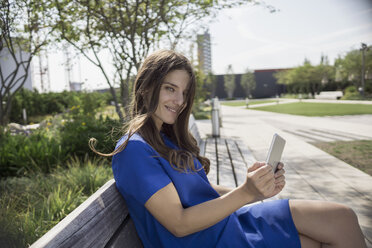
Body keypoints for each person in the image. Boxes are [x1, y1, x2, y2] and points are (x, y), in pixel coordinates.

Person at [90, 50, 367, 248]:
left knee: (338, 220)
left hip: (222, 226)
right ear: (146, 88)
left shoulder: (166, 138)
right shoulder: (134, 150)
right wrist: (245, 193)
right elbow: (179, 223)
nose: (179, 100)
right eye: (170, 89)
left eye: (184, 92)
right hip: (206, 239)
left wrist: (257, 189)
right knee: (336, 225)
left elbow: (201, 192)